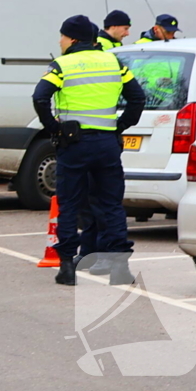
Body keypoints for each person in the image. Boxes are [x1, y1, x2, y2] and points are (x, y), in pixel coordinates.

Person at [32, 15, 146, 286]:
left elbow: (40, 97)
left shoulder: (62, 65)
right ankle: (119, 268)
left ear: (72, 39)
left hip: (74, 144)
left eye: (61, 36)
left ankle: (68, 267)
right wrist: (119, 126)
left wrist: (54, 129)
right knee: (111, 205)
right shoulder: (113, 61)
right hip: (107, 144)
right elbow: (137, 98)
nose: (59, 41)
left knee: (70, 203)